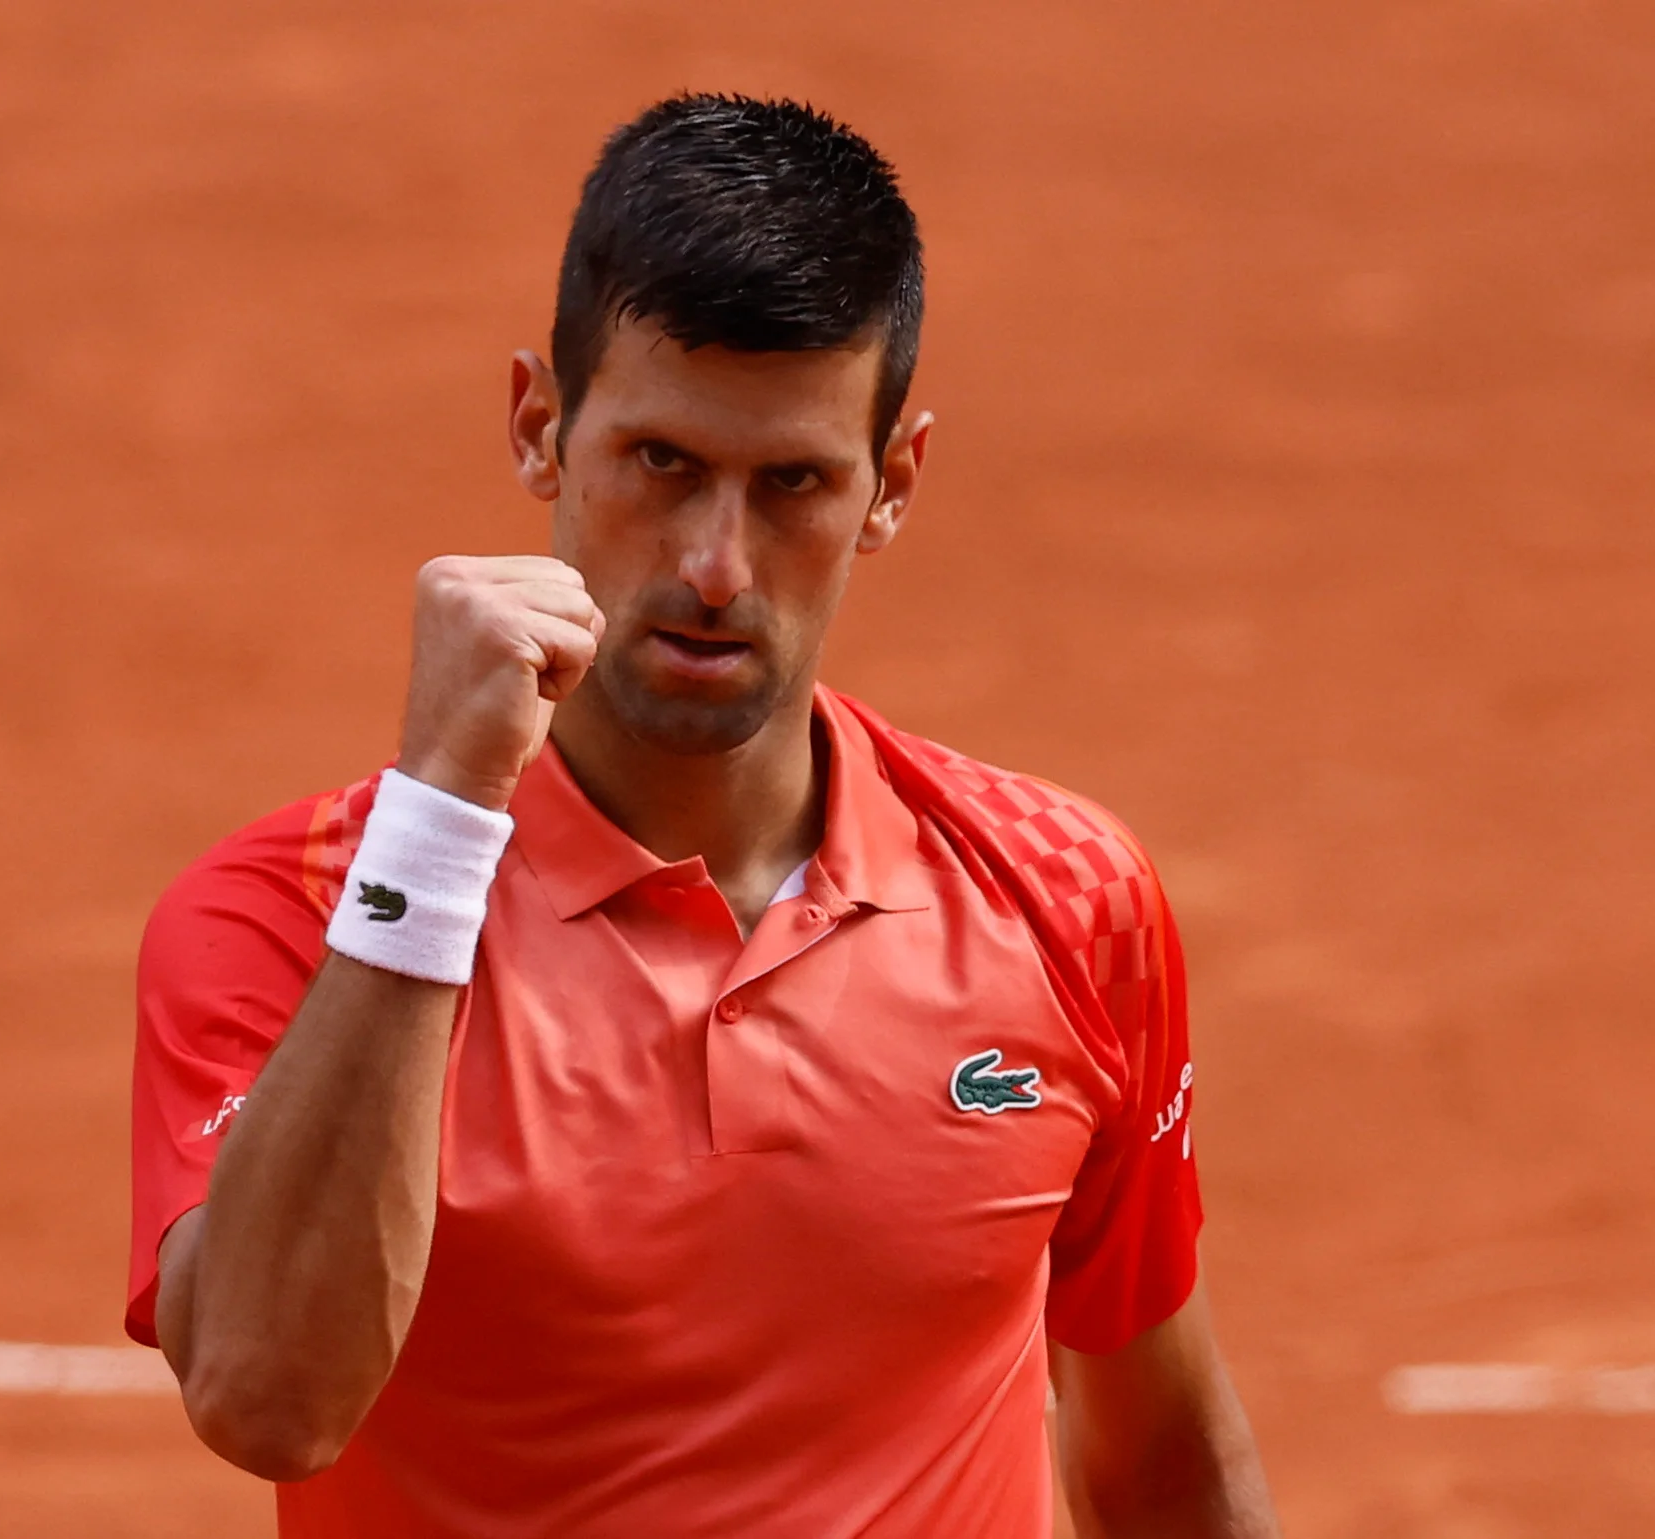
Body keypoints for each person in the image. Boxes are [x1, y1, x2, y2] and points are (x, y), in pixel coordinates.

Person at [126, 93, 1280, 1538]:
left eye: (791, 481)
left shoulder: (1064, 897)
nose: (718, 565)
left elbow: (1162, 1458)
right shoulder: (294, 911)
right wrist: (433, 826)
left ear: (893, 486)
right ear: (541, 429)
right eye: (663, 463)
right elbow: (269, 1397)